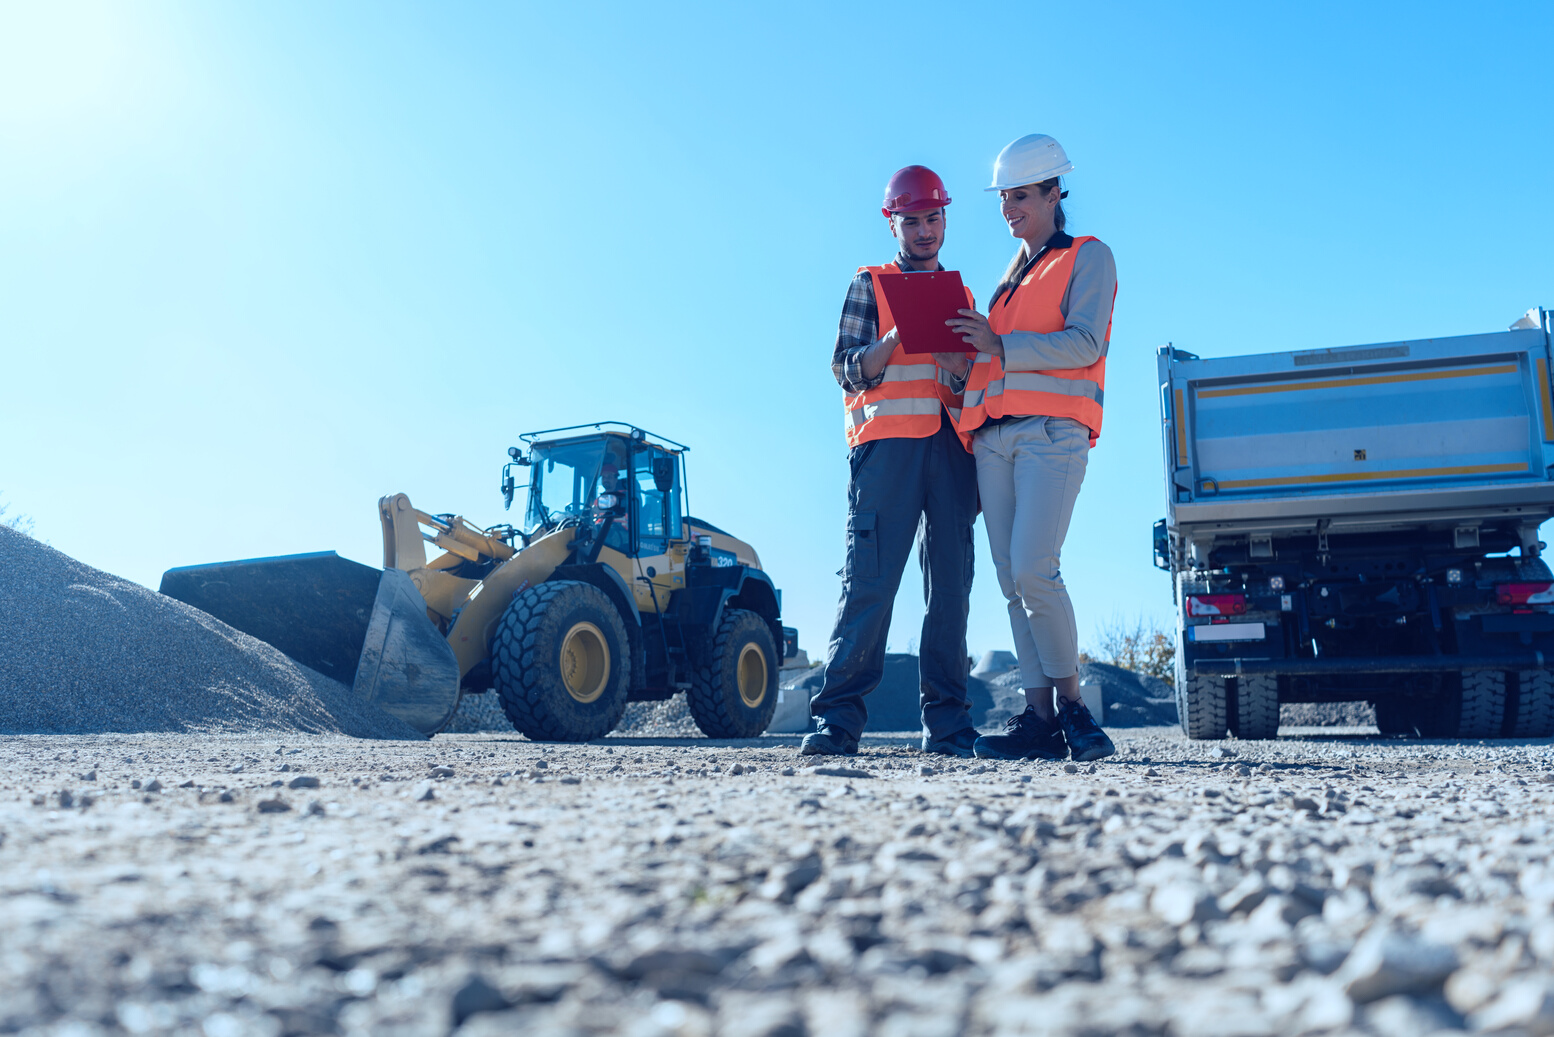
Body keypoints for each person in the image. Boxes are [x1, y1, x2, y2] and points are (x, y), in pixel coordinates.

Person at [939, 134, 1118, 763]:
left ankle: (1073, 711)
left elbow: (1084, 344)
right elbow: (994, 361)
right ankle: (1039, 718)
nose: (1009, 207)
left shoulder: (1088, 258)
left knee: (1036, 568)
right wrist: (961, 363)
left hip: (1051, 434)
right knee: (1013, 581)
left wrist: (998, 345)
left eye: (1021, 195)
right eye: (1004, 197)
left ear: (1054, 193)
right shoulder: (1006, 283)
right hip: (994, 441)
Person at [801, 166, 981, 758]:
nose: (924, 231)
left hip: (951, 453)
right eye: (912, 221)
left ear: (946, 219)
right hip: (886, 454)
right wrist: (896, 337)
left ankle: (949, 724)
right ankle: (838, 721)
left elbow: (968, 386)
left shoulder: (965, 296)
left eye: (933, 219)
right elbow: (844, 368)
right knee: (870, 585)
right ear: (892, 223)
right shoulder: (870, 284)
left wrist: (960, 367)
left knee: (951, 590)